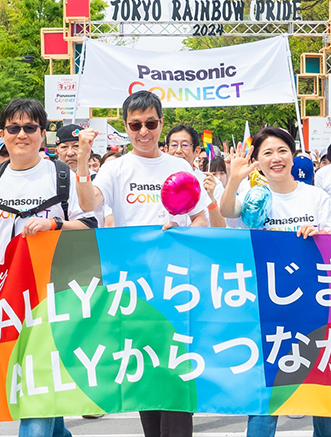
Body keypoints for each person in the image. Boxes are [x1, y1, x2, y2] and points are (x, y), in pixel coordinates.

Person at [76, 91, 209, 437]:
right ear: (126, 126)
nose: (144, 131)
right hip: (132, 286)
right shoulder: (115, 168)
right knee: (144, 369)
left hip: (178, 283)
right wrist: (82, 160)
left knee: (177, 371)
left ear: (161, 123)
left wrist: (180, 232)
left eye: (151, 123)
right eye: (136, 125)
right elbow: (89, 201)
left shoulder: (179, 167)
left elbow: (201, 219)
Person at [0, 99, 93, 437]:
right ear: (2, 135)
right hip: (6, 298)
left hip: (54, 296)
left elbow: (90, 226)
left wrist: (54, 227)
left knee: (36, 393)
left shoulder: (61, 175)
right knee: (40, 391)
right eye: (14, 128)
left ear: (42, 134)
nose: (22, 135)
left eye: (30, 128)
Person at [219, 128, 331, 437]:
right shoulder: (253, 198)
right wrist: (235, 178)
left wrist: (319, 236)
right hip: (266, 309)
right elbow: (227, 213)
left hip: (313, 306)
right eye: (267, 153)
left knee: (321, 392)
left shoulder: (314, 196)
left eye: (282, 150)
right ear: (257, 161)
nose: (276, 158)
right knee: (266, 396)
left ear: (293, 155)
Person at [166, 124, 226, 227]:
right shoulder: (158, 179)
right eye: (174, 145)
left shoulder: (210, 183)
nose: (178, 150)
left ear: (197, 151)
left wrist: (211, 200)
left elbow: (221, 228)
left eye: (185, 145)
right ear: (167, 149)